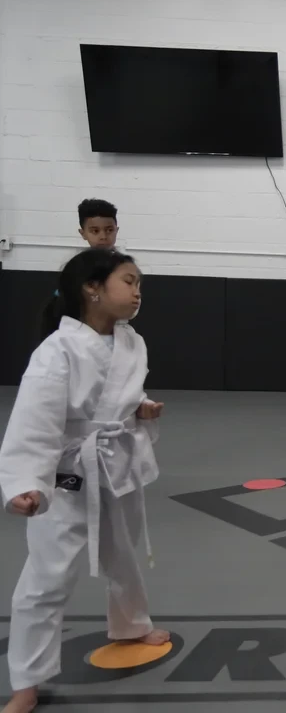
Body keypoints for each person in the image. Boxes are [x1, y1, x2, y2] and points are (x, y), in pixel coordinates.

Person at [0, 249, 167, 713]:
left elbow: (116, 398)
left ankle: (132, 625)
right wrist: (26, 483)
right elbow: (36, 421)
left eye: (139, 285)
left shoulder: (132, 342)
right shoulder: (57, 350)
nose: (137, 293)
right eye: (128, 281)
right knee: (45, 578)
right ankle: (27, 682)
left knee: (125, 552)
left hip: (116, 466)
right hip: (68, 474)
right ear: (92, 288)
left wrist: (140, 407)